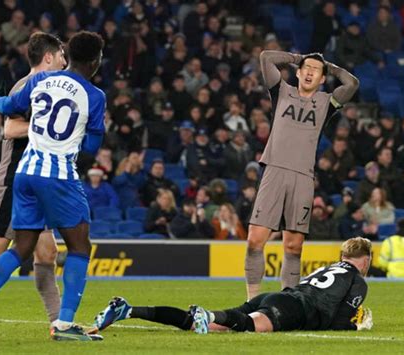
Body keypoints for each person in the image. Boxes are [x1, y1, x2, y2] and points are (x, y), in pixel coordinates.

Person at [0, 31, 106, 342]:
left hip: (26, 173)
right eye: (59, 55)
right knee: (79, 245)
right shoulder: (89, 94)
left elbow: (4, 105)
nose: (62, 59)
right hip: (44, 174)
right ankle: (64, 324)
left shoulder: (40, 83)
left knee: (39, 250)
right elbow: (90, 147)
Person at [245, 50, 359, 299]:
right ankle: (251, 303)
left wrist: (327, 64)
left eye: (315, 71)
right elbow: (265, 57)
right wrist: (299, 58)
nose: (309, 72)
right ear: (297, 73)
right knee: (255, 240)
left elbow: (352, 83)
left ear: (322, 79)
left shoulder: (327, 102)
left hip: (303, 177)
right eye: (305, 68)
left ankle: (288, 303)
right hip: (274, 170)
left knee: (293, 246)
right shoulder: (281, 91)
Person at [92, 237, 373, 334]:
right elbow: (337, 321)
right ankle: (209, 316)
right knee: (248, 326)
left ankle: (128, 310)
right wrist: (356, 325)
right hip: (293, 308)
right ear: (366, 259)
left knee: (202, 324)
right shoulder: (357, 280)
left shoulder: (328, 267)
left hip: (275, 296)